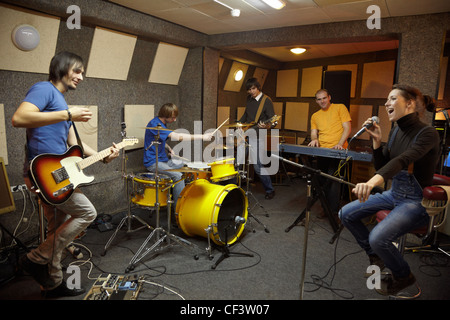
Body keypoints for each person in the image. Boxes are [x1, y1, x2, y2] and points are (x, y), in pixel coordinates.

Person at [12, 51, 120, 297]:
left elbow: (76, 148)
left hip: (60, 173)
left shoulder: (60, 102)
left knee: (57, 229)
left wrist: (105, 155)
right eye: (77, 70)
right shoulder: (44, 89)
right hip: (43, 172)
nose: (81, 77)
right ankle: (35, 258)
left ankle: (51, 283)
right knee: (87, 212)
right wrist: (69, 114)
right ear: (62, 68)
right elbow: (18, 118)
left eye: (83, 72)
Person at [339, 84, 440, 295]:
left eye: (393, 99)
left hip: (415, 200)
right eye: (387, 100)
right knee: (345, 213)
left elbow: (404, 160)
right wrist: (377, 141)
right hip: (394, 193)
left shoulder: (428, 133)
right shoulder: (395, 132)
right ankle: (375, 255)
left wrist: (371, 182)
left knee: (377, 237)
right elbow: (382, 164)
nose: (386, 104)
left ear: (410, 103)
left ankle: (403, 275)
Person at [143, 103, 212, 209]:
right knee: (178, 176)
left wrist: (168, 148)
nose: (174, 120)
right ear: (165, 115)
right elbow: (179, 137)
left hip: (164, 160)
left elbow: (156, 140)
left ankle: (190, 197)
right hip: (153, 163)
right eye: (173, 117)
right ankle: (179, 210)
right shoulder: (156, 124)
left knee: (186, 165)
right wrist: (203, 136)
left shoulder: (160, 123)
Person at [307, 89, 352, 215]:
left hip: (338, 151)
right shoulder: (315, 116)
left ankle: (332, 211)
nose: (322, 101)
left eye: (324, 98)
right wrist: (314, 139)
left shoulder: (340, 108)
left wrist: (340, 143)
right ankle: (325, 208)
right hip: (322, 152)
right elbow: (313, 132)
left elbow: (347, 128)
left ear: (329, 97)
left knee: (333, 182)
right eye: (319, 99)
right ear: (316, 101)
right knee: (321, 180)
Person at [238, 78, 276, 199]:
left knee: (258, 166)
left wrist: (267, 125)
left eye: (253, 88)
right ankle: (234, 189)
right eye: (249, 89)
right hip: (246, 134)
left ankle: (270, 190)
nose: (251, 91)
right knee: (238, 163)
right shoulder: (249, 99)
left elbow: (273, 120)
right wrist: (239, 124)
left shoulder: (266, 100)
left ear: (258, 87)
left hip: (258, 136)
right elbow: (246, 114)